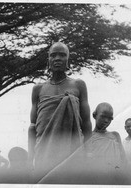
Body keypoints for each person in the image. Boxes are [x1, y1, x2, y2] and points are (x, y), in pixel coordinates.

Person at [28, 41, 92, 181]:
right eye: (53, 55)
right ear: (48, 60)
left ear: (68, 59)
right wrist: (29, 159)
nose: (57, 58)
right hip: (44, 152)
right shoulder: (38, 89)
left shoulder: (78, 85)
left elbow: (86, 123)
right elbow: (33, 126)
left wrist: (88, 153)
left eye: (62, 55)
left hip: (73, 151)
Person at [39, 102, 128, 184]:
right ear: (94, 115)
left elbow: (124, 161)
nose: (106, 121)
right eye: (103, 116)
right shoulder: (86, 137)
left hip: (113, 180)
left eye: (109, 118)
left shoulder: (115, 136)